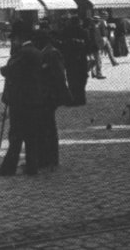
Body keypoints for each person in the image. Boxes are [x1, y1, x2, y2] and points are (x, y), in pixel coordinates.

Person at [0, 20, 43, 177]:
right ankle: (32, 167)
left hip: (20, 100)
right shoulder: (35, 51)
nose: (13, 41)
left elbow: (13, 70)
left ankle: (8, 168)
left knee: (16, 136)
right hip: (32, 99)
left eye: (14, 38)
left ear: (20, 38)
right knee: (31, 135)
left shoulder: (23, 53)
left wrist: (4, 70)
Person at [36, 28, 71, 170]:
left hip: (49, 96)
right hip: (46, 95)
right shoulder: (47, 52)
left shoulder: (51, 53)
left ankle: (50, 158)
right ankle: (46, 157)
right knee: (46, 127)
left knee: (48, 128)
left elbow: (58, 76)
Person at [61, 16, 88, 106]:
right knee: (82, 79)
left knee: (72, 79)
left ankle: (73, 98)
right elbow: (89, 45)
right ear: (79, 22)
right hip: (81, 59)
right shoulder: (84, 31)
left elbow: (61, 45)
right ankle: (81, 98)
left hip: (70, 59)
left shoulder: (65, 31)